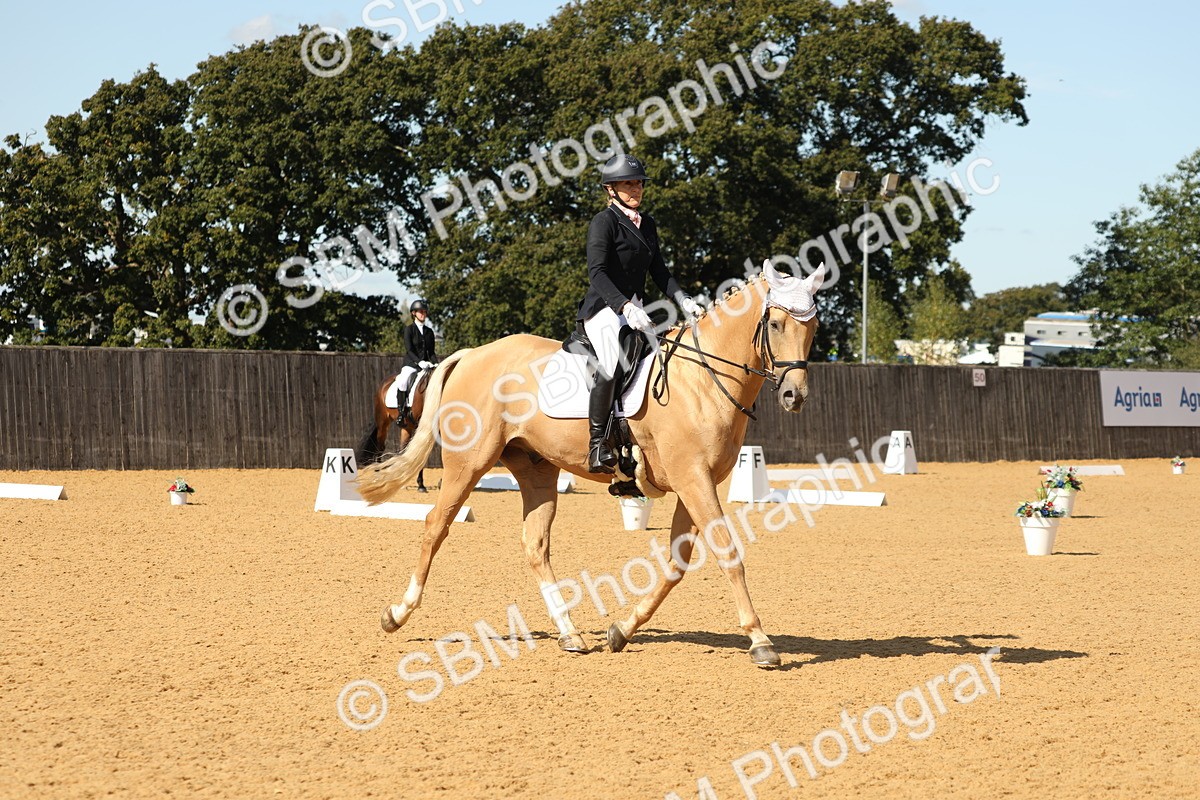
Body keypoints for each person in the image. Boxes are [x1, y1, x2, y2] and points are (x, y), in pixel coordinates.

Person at [578, 154, 701, 473]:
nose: (636, 188)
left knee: (664, 355)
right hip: (604, 309)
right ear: (610, 189)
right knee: (613, 359)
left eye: (638, 183)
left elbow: (659, 271)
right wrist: (624, 306)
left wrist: (682, 299)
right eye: (628, 183)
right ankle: (596, 444)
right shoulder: (604, 222)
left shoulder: (647, 225)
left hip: (637, 312)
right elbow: (598, 273)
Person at [396, 298, 437, 401]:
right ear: (414, 313)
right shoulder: (409, 330)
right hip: (411, 364)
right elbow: (409, 350)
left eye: (425, 312)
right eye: (420, 312)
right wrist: (419, 362)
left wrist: (436, 363)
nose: (423, 314)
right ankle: (401, 412)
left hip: (426, 365)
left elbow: (431, 352)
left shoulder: (429, 332)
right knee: (403, 381)